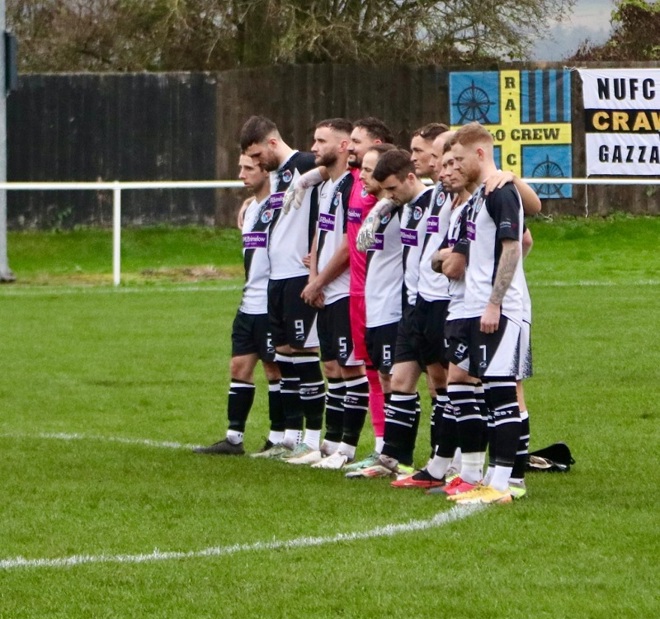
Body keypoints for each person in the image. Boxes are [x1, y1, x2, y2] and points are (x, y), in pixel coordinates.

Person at [444, 122, 529, 505]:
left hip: (502, 308)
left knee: (501, 394)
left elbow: (513, 247)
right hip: (478, 307)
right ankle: (493, 481)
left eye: (460, 158)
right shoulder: (480, 196)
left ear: (480, 153)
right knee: (491, 395)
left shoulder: (500, 191)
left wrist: (495, 302)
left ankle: (504, 484)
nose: (455, 166)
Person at [286, 118, 371, 468]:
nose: (314, 148)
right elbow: (321, 235)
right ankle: (330, 444)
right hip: (325, 288)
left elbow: (351, 243)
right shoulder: (326, 186)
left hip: (346, 289)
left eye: (321, 141)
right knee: (333, 367)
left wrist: (319, 281)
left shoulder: (353, 184)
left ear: (340, 147)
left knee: (352, 369)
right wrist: (313, 275)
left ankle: (346, 450)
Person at [239, 116, 323, 459]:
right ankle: (289, 438)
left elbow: (340, 180)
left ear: (272, 143)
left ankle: (314, 441)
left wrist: (317, 252)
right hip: (276, 279)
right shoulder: (275, 176)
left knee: (304, 355)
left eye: (258, 154)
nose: (256, 163)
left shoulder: (304, 163)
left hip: (297, 276)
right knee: (284, 355)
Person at [347, 148, 433, 478]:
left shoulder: (427, 204)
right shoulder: (398, 206)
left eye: (391, 188)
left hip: (413, 307)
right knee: (395, 379)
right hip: (395, 307)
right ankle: (395, 457)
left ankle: (448, 463)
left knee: (441, 383)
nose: (387, 194)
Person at [194, 154, 282, 455]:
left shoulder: (281, 208)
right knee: (239, 366)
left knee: (275, 370)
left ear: (266, 171)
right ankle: (233, 438)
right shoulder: (252, 208)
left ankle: (279, 437)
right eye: (240, 167)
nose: (241, 174)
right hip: (248, 303)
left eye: (248, 168)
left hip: (272, 305)